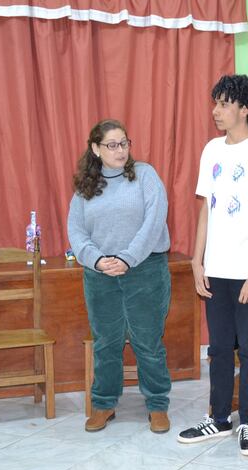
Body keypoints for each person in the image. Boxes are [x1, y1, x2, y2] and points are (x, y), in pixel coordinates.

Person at [177, 74, 248, 456]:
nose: (216, 111)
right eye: (215, 103)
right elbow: (206, 209)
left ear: (245, 108)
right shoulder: (211, 150)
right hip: (216, 268)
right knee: (220, 348)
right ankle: (219, 418)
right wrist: (196, 260)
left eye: (224, 104)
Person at [67, 119, 172, 434]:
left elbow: (154, 221)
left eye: (124, 143)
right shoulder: (85, 188)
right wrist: (98, 261)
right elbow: (76, 231)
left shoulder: (145, 176)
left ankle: (157, 405)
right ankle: (104, 404)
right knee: (106, 343)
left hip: (145, 270)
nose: (120, 150)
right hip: (100, 275)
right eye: (112, 144)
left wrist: (127, 258)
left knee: (148, 342)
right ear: (96, 149)